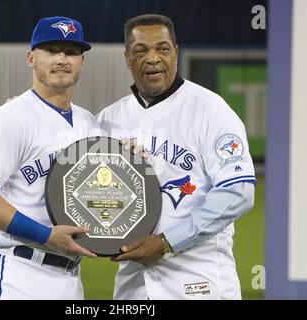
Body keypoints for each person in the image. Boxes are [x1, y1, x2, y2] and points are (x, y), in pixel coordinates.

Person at [97, 14, 256, 300]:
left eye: (162, 48)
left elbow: (238, 193)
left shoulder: (211, 110)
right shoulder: (108, 120)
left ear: (176, 52)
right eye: (141, 51)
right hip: (133, 288)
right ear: (127, 59)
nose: (153, 58)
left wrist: (168, 243)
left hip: (199, 283)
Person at [0, 16, 100, 300]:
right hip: (18, 272)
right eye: (51, 50)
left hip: (71, 278)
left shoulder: (90, 123)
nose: (62, 59)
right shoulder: (11, 118)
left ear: (82, 61)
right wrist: (46, 236)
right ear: (31, 58)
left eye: (71, 52)